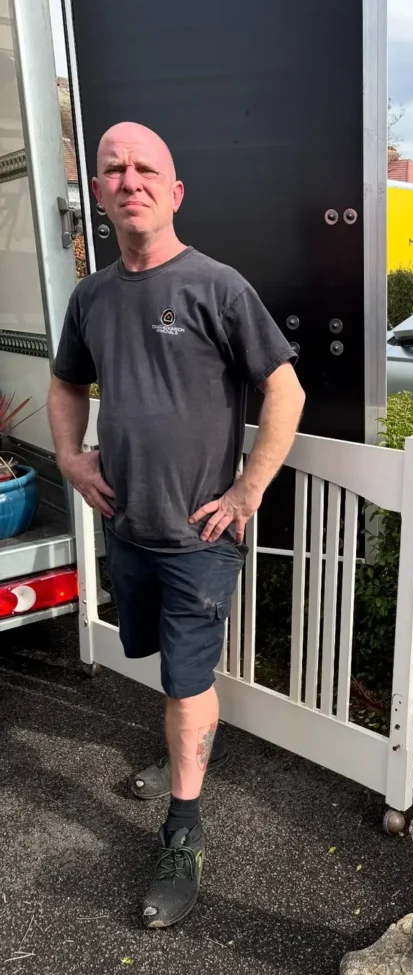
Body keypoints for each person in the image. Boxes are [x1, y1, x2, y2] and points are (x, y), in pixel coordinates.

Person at [48, 122, 305, 928]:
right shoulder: (91, 296)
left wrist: (246, 491)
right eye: (113, 169)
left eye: (145, 168)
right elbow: (65, 385)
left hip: (198, 539)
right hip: (128, 527)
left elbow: (285, 391)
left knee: (188, 681)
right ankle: (184, 746)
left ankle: (183, 832)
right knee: (167, 670)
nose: (130, 180)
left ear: (175, 190)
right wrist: (70, 458)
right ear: (97, 193)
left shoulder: (216, 286)